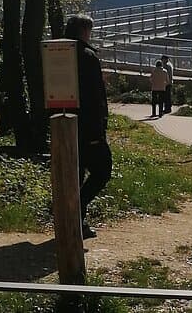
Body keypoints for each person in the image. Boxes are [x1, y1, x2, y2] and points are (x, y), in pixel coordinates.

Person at [64, 13, 111, 240]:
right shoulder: (87, 56)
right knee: (103, 170)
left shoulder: (57, 53)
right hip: (88, 128)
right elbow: (95, 97)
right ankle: (76, 212)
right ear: (84, 31)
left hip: (62, 124)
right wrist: (100, 127)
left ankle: (72, 218)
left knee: (75, 172)